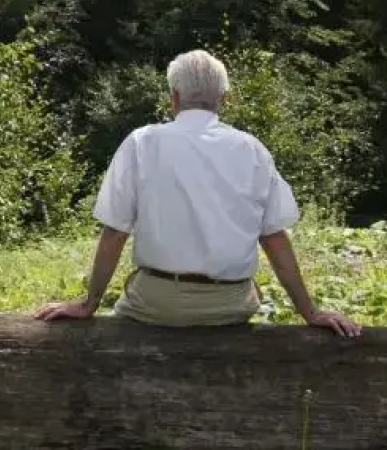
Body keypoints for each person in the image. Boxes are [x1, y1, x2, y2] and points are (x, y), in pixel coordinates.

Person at [34, 49, 360, 337]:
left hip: (157, 303)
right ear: (224, 99)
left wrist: (89, 302)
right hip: (229, 306)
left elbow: (115, 232)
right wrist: (310, 312)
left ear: (174, 97)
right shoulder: (252, 149)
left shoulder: (142, 142)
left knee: (133, 294)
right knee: (255, 291)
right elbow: (274, 238)